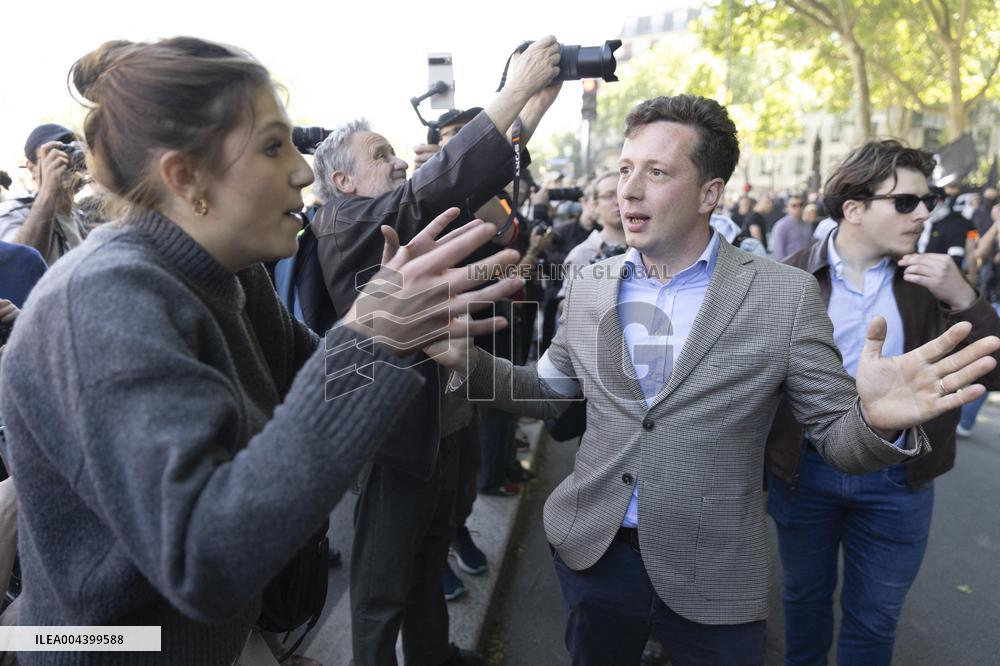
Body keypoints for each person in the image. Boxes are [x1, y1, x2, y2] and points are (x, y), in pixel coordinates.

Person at [0, 36, 521, 666]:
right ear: (185, 177)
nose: (303, 171)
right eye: (274, 147)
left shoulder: (229, 274)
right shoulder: (101, 302)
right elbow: (203, 558)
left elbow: (313, 383)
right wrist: (374, 334)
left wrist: (393, 334)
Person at [429, 94, 1000, 665]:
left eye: (657, 172)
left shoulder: (785, 294)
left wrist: (874, 421)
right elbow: (548, 393)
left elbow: (836, 438)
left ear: (710, 193)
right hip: (592, 557)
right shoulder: (590, 284)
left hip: (716, 576)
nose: (629, 190)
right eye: (625, 169)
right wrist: (467, 362)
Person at [309, 35, 561, 666]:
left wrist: (527, 117)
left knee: (426, 561)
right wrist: (516, 90)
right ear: (341, 180)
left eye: (395, 152)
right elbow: (432, 188)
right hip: (393, 434)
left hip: (441, 419)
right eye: (381, 154)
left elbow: (472, 205)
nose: (399, 161)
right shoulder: (343, 221)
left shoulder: (397, 214)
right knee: (380, 584)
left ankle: (433, 656)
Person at [766, 139, 1000, 665]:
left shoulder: (933, 280)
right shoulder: (789, 277)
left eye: (927, 200)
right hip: (805, 472)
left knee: (875, 620)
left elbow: (994, 369)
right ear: (853, 209)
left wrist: (964, 297)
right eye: (905, 202)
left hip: (899, 475)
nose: (922, 214)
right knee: (803, 603)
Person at [0, 124, 103, 265]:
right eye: (57, 152)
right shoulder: (13, 212)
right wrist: (48, 191)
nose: (65, 160)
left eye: (70, 151)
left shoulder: (81, 216)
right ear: (32, 168)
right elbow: (17, 266)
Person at [957, 198, 1000, 436]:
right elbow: (977, 254)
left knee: (988, 365)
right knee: (982, 362)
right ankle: (964, 419)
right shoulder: (993, 228)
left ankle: (965, 420)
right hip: (991, 299)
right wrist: (996, 226)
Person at [770, 194, 813, 260]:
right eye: (794, 205)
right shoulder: (781, 226)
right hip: (788, 264)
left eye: (801, 205)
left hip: (805, 264)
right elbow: (778, 251)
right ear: (787, 208)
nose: (798, 208)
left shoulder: (807, 225)